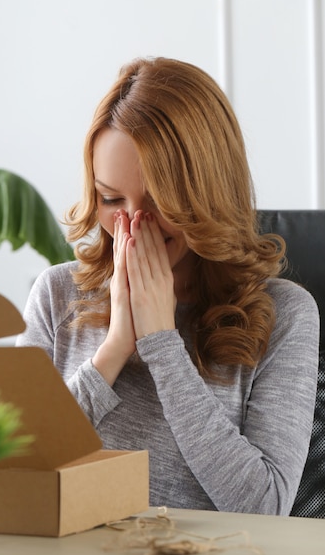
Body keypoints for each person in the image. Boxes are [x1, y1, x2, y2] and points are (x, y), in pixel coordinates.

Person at [17, 57, 319, 515]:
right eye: (111, 199)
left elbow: (266, 507)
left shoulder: (286, 314)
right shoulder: (56, 294)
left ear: (207, 193)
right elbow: (15, 473)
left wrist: (162, 343)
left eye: (160, 202)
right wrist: (114, 349)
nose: (133, 225)